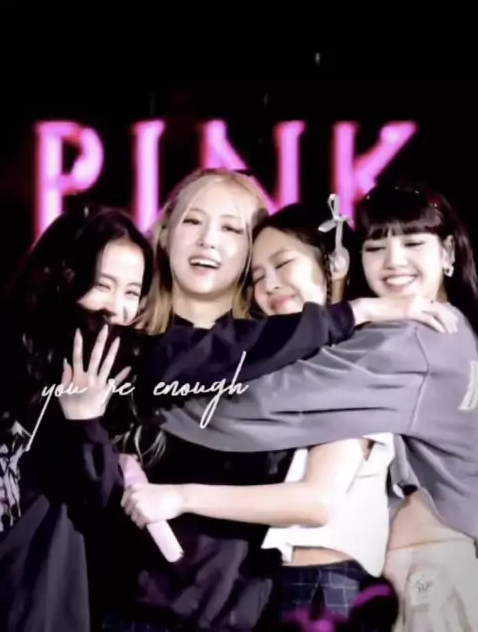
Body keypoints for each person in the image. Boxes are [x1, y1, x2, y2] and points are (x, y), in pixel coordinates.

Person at [58, 173, 457, 632]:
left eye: (231, 229)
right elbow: (84, 506)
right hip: (127, 613)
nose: (208, 240)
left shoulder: (300, 361)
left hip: (249, 615)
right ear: (164, 234)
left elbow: (323, 499)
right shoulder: (119, 346)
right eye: (193, 221)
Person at [0, 201, 154, 632]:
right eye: (103, 285)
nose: (117, 309)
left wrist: (86, 422)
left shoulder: (128, 388)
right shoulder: (15, 366)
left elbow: (107, 522)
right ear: (62, 280)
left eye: (131, 292)